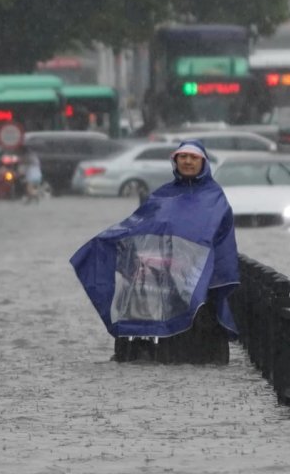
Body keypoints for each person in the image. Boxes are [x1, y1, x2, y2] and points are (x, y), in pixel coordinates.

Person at [70, 139, 239, 364]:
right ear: (175, 160)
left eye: (193, 157)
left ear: (203, 162)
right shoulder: (162, 195)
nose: (188, 161)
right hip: (159, 282)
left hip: (199, 282)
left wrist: (216, 276)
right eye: (183, 157)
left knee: (198, 329)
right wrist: (108, 242)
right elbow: (138, 225)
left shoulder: (215, 197)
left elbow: (222, 239)